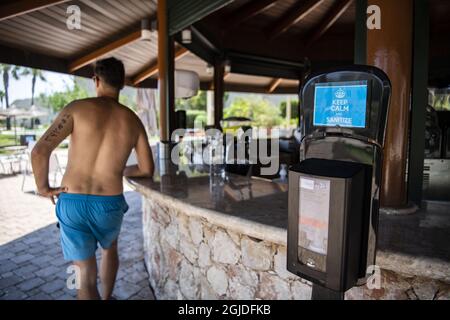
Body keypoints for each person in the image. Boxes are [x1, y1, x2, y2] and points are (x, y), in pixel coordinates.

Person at [31, 57, 154, 300]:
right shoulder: (133, 120)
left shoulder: (76, 108)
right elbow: (147, 169)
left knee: (84, 277)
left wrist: (43, 188)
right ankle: (107, 298)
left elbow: (39, 151)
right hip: (109, 204)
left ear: (96, 80)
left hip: (73, 201)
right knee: (110, 249)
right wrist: (118, 170)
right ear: (122, 84)